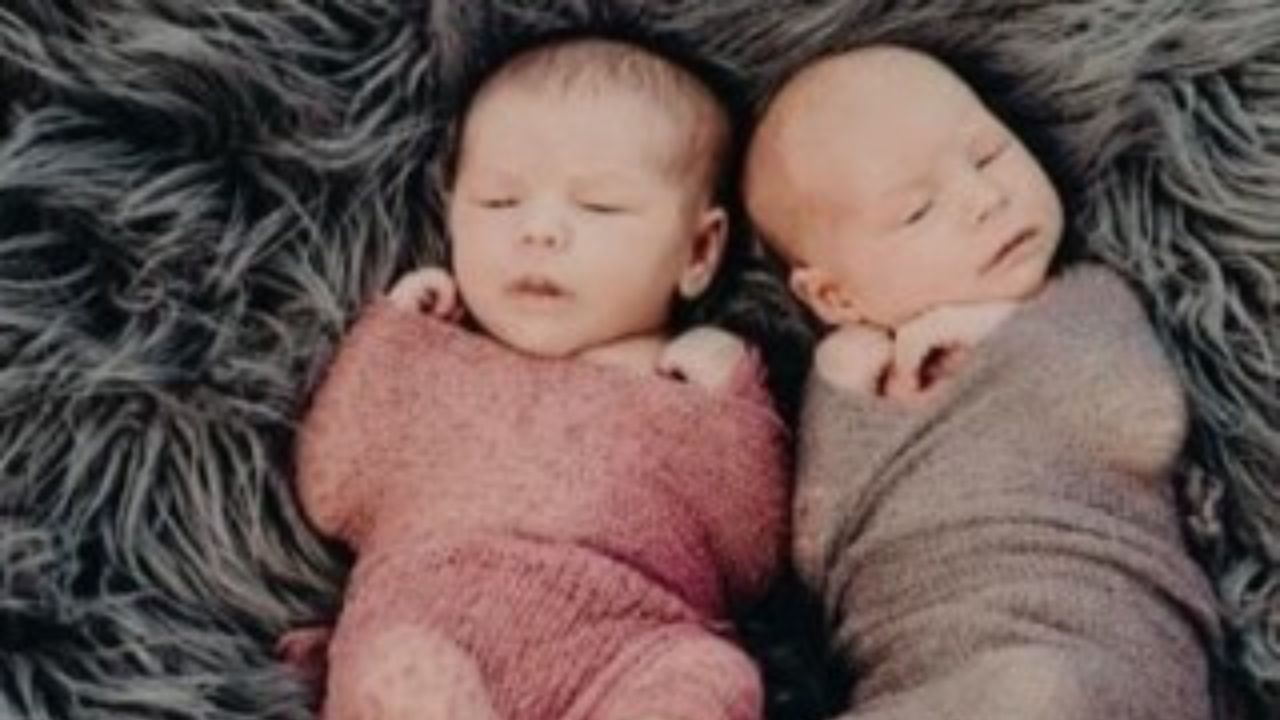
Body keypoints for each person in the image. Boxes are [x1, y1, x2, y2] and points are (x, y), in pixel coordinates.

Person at [284, 37, 789, 720]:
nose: (540, 231)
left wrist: (734, 406)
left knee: (711, 673)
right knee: (398, 665)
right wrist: (391, 339)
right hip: (431, 623)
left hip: (625, 649)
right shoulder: (435, 363)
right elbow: (334, 485)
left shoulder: (686, 389)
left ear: (698, 252)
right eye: (499, 201)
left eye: (599, 206)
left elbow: (750, 557)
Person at [743, 44, 1220, 719]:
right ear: (836, 297)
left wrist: (998, 333)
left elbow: (1142, 420)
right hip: (919, 671)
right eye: (917, 211)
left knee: (1037, 689)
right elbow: (821, 552)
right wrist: (840, 393)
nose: (985, 199)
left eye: (989, 155)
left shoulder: (1083, 302)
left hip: (1103, 656)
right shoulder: (852, 385)